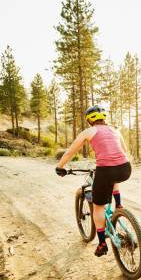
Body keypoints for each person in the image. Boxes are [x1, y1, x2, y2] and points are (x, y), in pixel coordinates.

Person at [56, 105, 131, 257]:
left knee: (98, 207)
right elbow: (123, 151)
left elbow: (71, 151)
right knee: (113, 175)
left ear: (89, 119)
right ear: (104, 118)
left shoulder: (89, 131)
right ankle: (119, 205)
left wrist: (60, 166)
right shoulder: (115, 130)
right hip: (125, 168)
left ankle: (102, 243)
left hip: (107, 170)